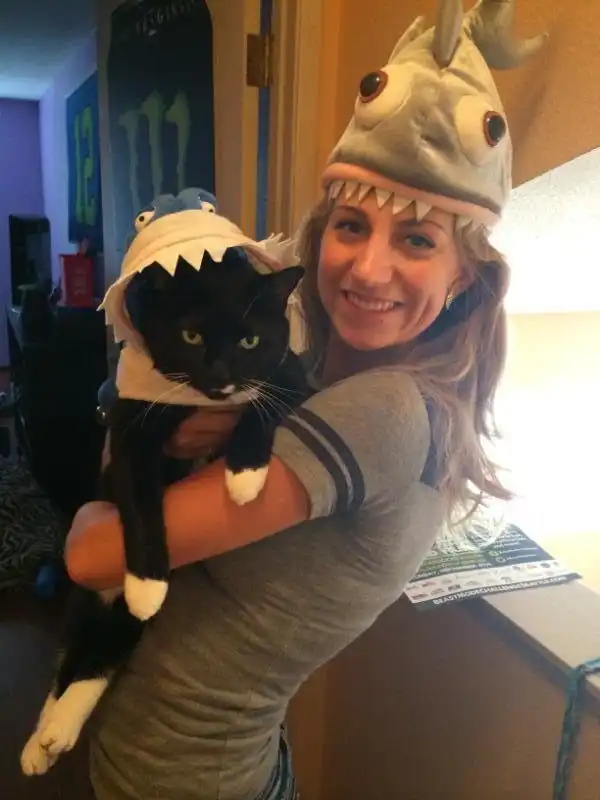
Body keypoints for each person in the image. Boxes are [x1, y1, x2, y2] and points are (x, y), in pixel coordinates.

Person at [63, 1, 547, 798]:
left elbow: (90, 554)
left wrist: (96, 505)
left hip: (185, 778)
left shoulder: (388, 411)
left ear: (464, 274)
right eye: (351, 226)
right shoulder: (316, 365)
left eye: (417, 240)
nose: (367, 268)